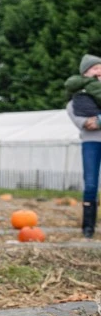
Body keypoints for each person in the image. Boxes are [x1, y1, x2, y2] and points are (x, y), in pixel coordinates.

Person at [66, 54, 101, 238]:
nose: (99, 71)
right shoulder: (74, 103)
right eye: (95, 68)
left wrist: (99, 119)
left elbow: (95, 122)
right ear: (85, 73)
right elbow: (87, 124)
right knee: (91, 184)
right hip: (91, 143)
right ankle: (88, 227)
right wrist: (95, 121)